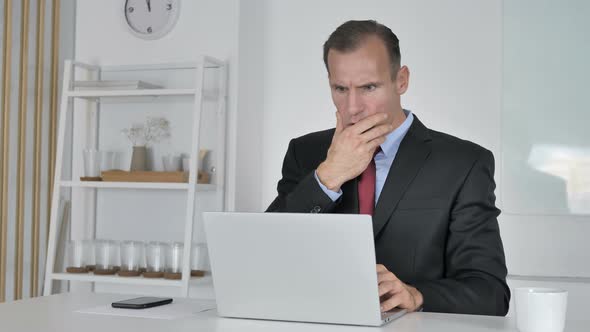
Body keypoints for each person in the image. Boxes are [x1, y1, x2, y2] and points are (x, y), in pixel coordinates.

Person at [266, 20, 510, 316]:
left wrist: (417, 295)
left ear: (401, 80)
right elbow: (267, 255)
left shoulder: (463, 163)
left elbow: (490, 292)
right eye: (340, 88)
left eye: (369, 87)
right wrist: (327, 176)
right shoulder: (305, 153)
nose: (353, 107)